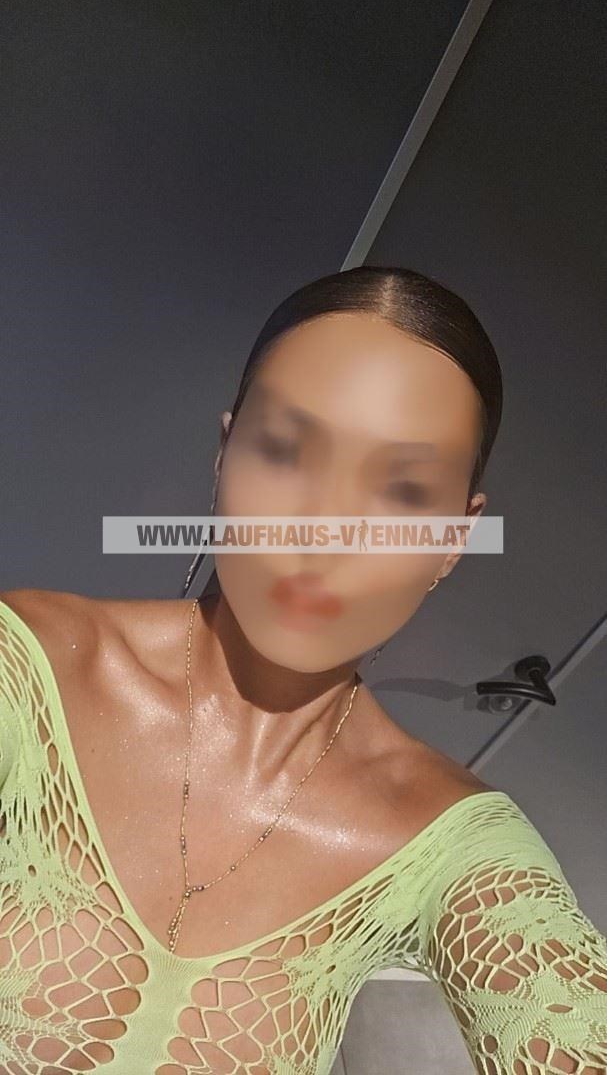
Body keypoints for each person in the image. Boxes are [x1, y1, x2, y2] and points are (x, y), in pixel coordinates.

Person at [1, 265, 605, 1074]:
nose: (325, 530)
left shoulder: (450, 841)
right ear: (224, 456)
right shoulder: (31, 666)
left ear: (452, 541)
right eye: (284, 451)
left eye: (402, 489)